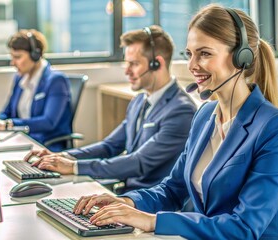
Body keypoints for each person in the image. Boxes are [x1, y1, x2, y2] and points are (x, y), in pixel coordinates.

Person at [71, 4, 278, 239]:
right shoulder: (204, 116)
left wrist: (152, 221)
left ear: (242, 57)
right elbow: (173, 188)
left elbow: (244, 228)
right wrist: (126, 202)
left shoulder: (275, 128)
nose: (191, 65)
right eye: (189, 54)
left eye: (205, 53)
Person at [24, 25, 197, 193]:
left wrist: (74, 167)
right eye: (126, 63)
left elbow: (139, 162)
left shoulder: (181, 111)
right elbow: (109, 146)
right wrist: (63, 156)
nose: (127, 71)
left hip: (150, 200)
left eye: (134, 64)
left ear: (156, 64)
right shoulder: (139, 101)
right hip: (125, 191)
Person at [0, 29, 72, 152]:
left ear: (35, 55)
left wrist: (8, 125)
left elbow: (48, 122)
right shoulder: (20, 79)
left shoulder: (56, 81)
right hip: (22, 140)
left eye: (17, 57)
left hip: (45, 146)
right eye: (12, 57)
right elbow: (7, 112)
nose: (13, 63)